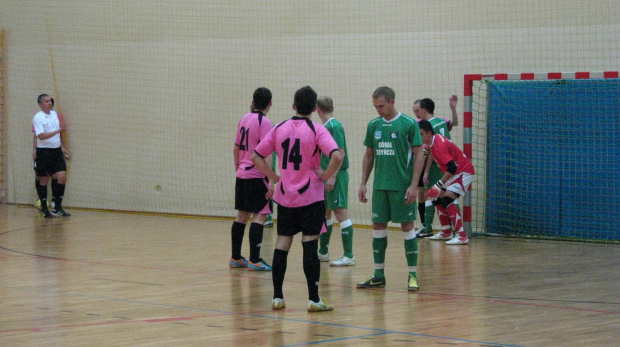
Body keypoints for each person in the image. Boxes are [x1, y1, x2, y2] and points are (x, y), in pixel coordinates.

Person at [252, 86, 343, 312]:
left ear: (293, 105)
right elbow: (337, 156)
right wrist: (325, 175)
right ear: (314, 108)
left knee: (283, 243)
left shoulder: (279, 127)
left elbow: (256, 156)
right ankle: (313, 299)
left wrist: (274, 177)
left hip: (285, 197)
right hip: (310, 196)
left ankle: (277, 297)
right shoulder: (317, 130)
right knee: (310, 244)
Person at [357, 86, 426, 291]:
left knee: (407, 227)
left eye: (381, 106)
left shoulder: (408, 124)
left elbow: (419, 155)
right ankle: (378, 274)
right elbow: (369, 155)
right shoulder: (374, 125)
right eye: (375, 106)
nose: (378, 110)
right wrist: (363, 183)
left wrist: (414, 185)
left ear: (392, 102)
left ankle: (412, 275)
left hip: (401, 187)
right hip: (380, 186)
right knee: (378, 227)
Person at [231, 87, 275, 271]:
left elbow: (235, 148)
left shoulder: (244, 118)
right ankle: (255, 259)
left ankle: (236, 258)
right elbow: (267, 153)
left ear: (253, 101)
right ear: (270, 104)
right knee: (261, 214)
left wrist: (239, 169)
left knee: (241, 215)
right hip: (257, 176)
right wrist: (271, 179)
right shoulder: (265, 123)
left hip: (242, 174)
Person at [419, 120, 474, 245]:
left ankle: (462, 236)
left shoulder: (438, 145)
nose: (419, 137)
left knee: (447, 199)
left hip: (463, 171)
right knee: (436, 198)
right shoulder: (433, 142)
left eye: (421, 134)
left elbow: (452, 167)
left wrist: (438, 185)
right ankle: (446, 232)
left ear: (428, 133)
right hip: (455, 172)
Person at [315, 96, 355, 266]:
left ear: (317, 109)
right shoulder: (325, 127)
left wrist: (332, 176)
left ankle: (349, 255)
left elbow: (341, 153)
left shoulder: (334, 126)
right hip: (326, 177)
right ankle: (323, 252)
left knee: (340, 212)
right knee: (325, 212)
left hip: (336, 177)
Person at [414, 98, 456, 238]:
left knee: (432, 195)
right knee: (445, 195)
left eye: (419, 111)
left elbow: (431, 149)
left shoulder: (427, 126)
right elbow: (454, 123)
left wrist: (425, 171)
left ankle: (429, 228)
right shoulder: (441, 121)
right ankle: (449, 229)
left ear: (424, 110)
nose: (418, 113)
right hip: (448, 162)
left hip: (436, 164)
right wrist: (453, 109)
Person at [32, 94, 70, 218]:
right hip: (44, 152)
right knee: (43, 179)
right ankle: (44, 209)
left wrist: (62, 147)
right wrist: (57, 131)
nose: (49, 103)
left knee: (62, 176)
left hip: (56, 151)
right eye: (46, 101)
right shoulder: (38, 117)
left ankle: (57, 207)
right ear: (41, 104)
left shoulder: (55, 115)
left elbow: (58, 135)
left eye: (50, 101)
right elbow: (41, 136)